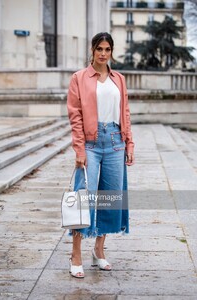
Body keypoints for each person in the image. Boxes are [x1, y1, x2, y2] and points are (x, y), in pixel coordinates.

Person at [67, 32, 134, 278]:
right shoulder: (79, 78)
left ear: (111, 51)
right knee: (83, 197)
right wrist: (80, 149)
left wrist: (130, 143)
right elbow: (75, 116)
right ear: (92, 50)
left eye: (107, 49)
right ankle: (76, 254)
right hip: (91, 144)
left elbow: (125, 111)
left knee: (110, 198)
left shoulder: (119, 79)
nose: (103, 53)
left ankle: (99, 250)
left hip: (116, 142)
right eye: (99, 49)